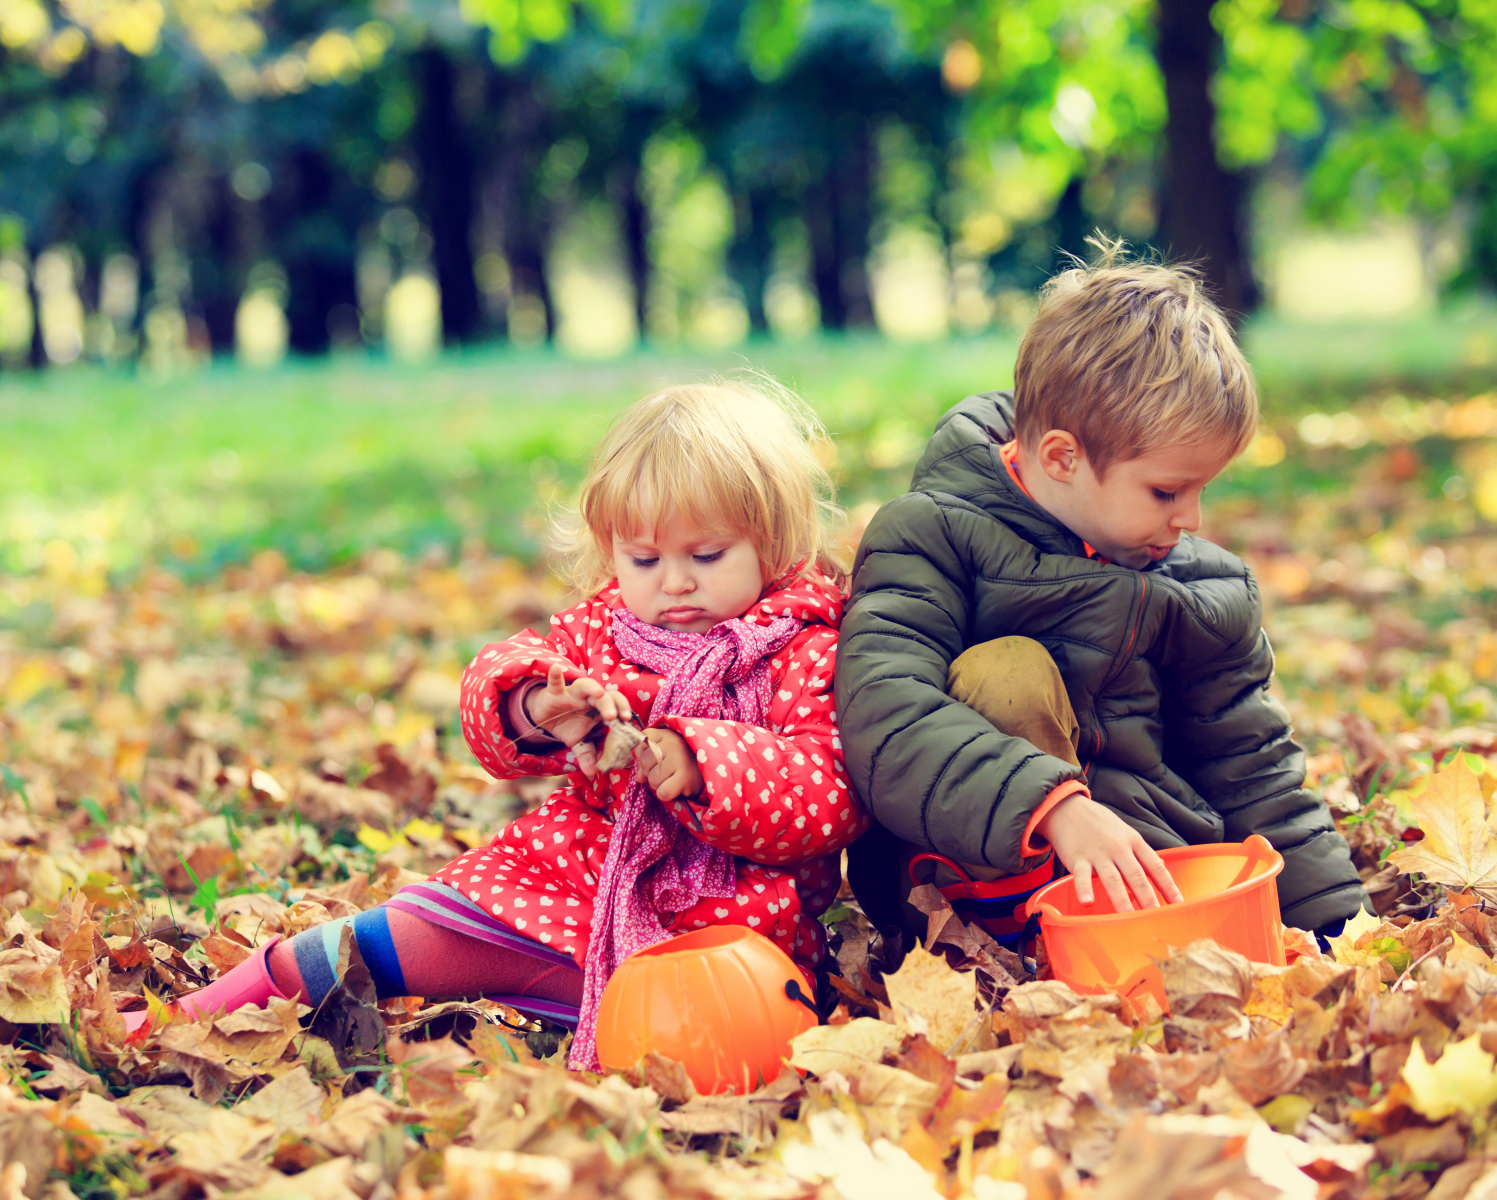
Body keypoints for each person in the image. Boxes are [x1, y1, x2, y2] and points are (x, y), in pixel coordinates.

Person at [128, 380, 866, 1070]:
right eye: (643, 557)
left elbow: (829, 790)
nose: (673, 581)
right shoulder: (600, 632)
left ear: (772, 542)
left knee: (709, 1032)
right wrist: (536, 707)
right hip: (563, 886)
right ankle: (175, 1021)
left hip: (727, 932)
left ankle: (596, 1011)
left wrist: (704, 762)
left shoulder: (803, 651)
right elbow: (496, 685)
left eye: (706, 555)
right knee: (379, 938)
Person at [836, 237, 1366, 951]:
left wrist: (1336, 920)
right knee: (1008, 672)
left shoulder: (1200, 584)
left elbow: (1249, 762)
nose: (1191, 519)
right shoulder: (930, 537)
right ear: (1062, 456)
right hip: (967, 879)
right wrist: (1048, 806)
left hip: (1143, 872)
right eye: (1167, 491)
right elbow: (886, 713)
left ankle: (1140, 936)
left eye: (1203, 489)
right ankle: (1018, 939)